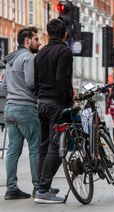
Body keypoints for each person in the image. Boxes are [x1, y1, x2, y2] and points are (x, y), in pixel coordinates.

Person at [34, 18, 74, 203]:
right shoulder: (64, 51)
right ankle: (43, 190)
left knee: (43, 146)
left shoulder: (40, 53)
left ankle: (40, 186)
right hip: (56, 105)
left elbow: (35, 81)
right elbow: (62, 80)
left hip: (41, 103)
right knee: (57, 146)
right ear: (65, 34)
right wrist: (69, 102)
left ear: (48, 34)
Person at [1, 27, 41, 200]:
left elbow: (3, 87)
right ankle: (38, 187)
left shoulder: (10, 60)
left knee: (13, 150)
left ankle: (11, 189)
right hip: (25, 108)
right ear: (27, 41)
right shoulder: (28, 57)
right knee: (35, 147)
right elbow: (31, 83)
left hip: (10, 109)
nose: (38, 42)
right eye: (36, 39)